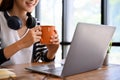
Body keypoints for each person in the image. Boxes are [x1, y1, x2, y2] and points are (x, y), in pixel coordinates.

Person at [0, 0, 59, 65]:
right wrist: (21, 44)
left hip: (28, 75)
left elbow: (41, 59)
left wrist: (51, 52)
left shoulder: (35, 23)